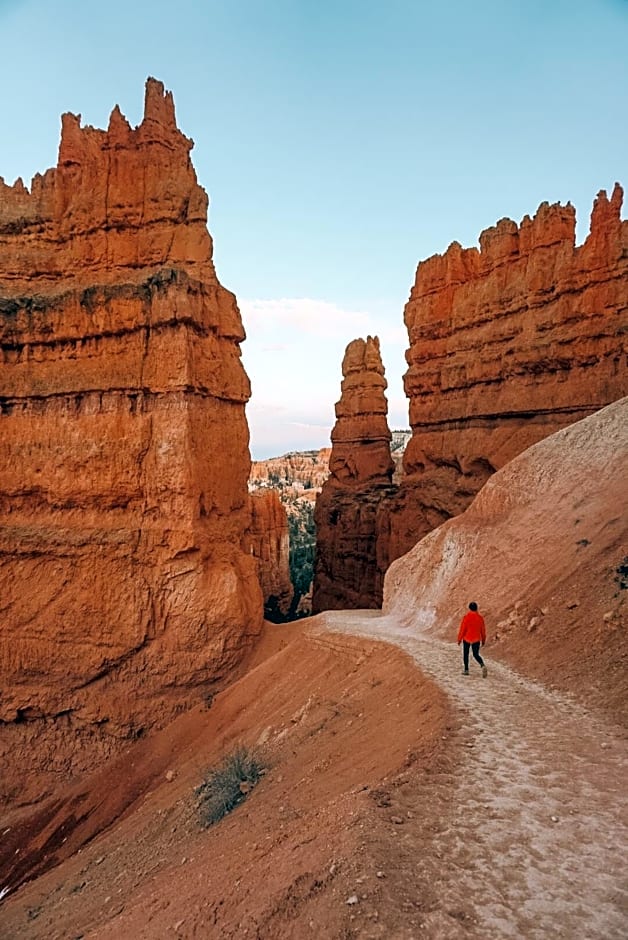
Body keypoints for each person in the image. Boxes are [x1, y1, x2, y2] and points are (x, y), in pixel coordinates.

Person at [457, 601, 488, 677]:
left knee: (466, 654)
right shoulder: (480, 618)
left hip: (467, 638)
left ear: (469, 608)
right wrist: (483, 640)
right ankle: (482, 665)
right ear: (476, 608)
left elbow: (463, 629)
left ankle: (466, 669)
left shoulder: (466, 617)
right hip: (476, 639)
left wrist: (459, 639)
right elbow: (483, 630)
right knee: (476, 654)